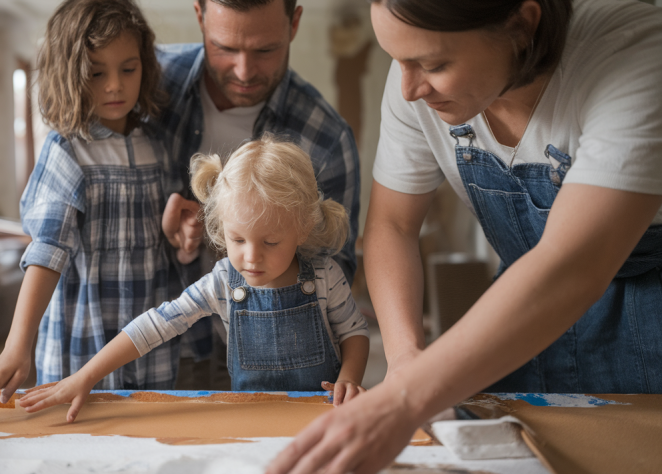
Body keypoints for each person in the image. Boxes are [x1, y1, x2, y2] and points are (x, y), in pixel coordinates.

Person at [269, 0, 662, 472]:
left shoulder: (636, 49)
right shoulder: (414, 83)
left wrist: (405, 400)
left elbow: (572, 264)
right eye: (397, 59)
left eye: (434, 65)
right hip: (517, 320)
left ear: (521, 24)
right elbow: (392, 227)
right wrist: (405, 362)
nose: (409, 89)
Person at [18, 135, 371, 421]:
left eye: (271, 242)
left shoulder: (324, 276)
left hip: (324, 417)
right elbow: (155, 325)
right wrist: (85, 377)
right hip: (250, 421)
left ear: (303, 227)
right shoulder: (222, 282)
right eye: (237, 239)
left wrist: (349, 379)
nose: (251, 256)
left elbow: (354, 332)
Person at [0, 0, 186, 425]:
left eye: (128, 69)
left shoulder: (159, 144)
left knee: (147, 438)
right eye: (96, 73)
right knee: (79, 442)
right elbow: (48, 248)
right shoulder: (66, 150)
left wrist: (182, 231)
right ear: (70, 74)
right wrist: (17, 344)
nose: (115, 85)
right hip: (83, 338)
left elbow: (167, 228)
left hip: (149, 340)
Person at [153, 0, 362, 382]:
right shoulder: (145, 84)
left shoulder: (327, 138)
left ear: (294, 23)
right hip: (167, 353)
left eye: (265, 50)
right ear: (199, 16)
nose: (244, 71)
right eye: (225, 48)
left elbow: (335, 281)